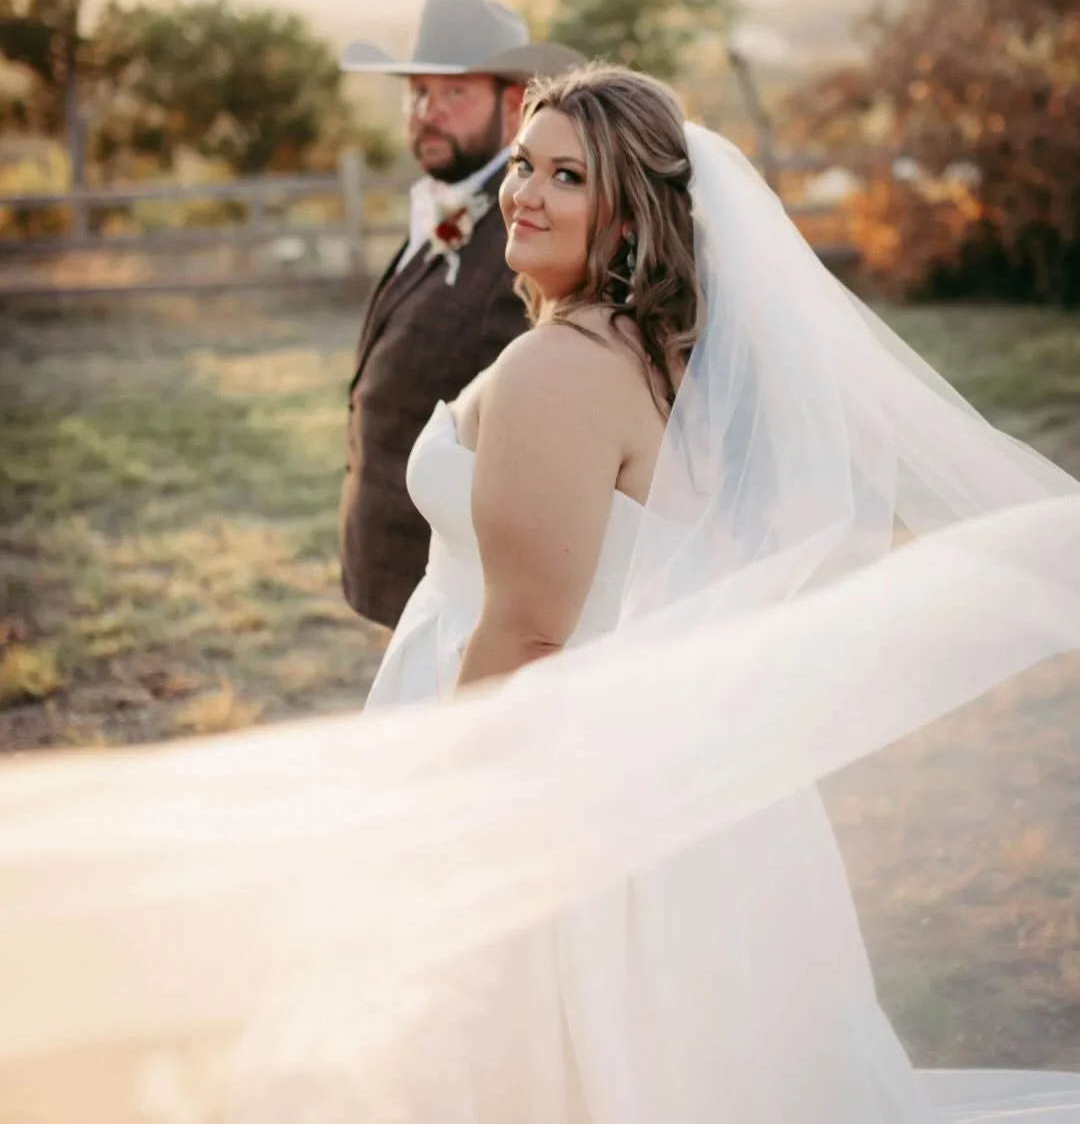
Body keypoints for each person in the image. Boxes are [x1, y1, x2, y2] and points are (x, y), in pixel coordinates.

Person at [1, 68, 1079, 1124]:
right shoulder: (663, 352)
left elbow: (525, 633)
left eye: (570, 177)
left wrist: (446, 820)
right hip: (664, 772)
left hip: (544, 768)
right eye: (525, 164)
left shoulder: (558, 370)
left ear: (632, 215)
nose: (524, 192)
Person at [338, 0, 583, 630]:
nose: (428, 112)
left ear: (513, 106)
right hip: (392, 568)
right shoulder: (443, 204)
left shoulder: (527, 232)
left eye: (453, 93)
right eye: (417, 92)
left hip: (459, 595)